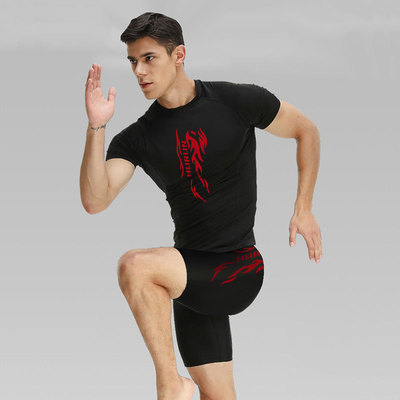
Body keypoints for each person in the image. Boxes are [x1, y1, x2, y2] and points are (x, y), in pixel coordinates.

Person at [80, 11, 322, 400]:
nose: (139, 71)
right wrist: (96, 126)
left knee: (135, 266)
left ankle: (170, 385)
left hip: (238, 268)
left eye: (149, 58)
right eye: (133, 61)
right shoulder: (139, 137)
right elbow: (95, 199)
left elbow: (305, 130)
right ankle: (176, 385)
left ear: (179, 55)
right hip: (189, 281)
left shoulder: (235, 101)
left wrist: (303, 207)